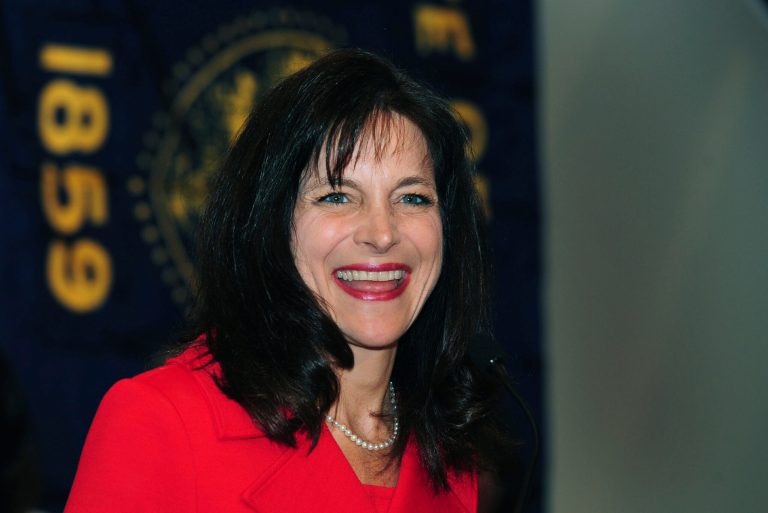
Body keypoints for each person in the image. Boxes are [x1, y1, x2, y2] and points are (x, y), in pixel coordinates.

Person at [65, 48, 503, 513]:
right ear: (269, 224)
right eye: (337, 196)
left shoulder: (449, 453)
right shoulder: (159, 420)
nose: (382, 233)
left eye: (413, 198)